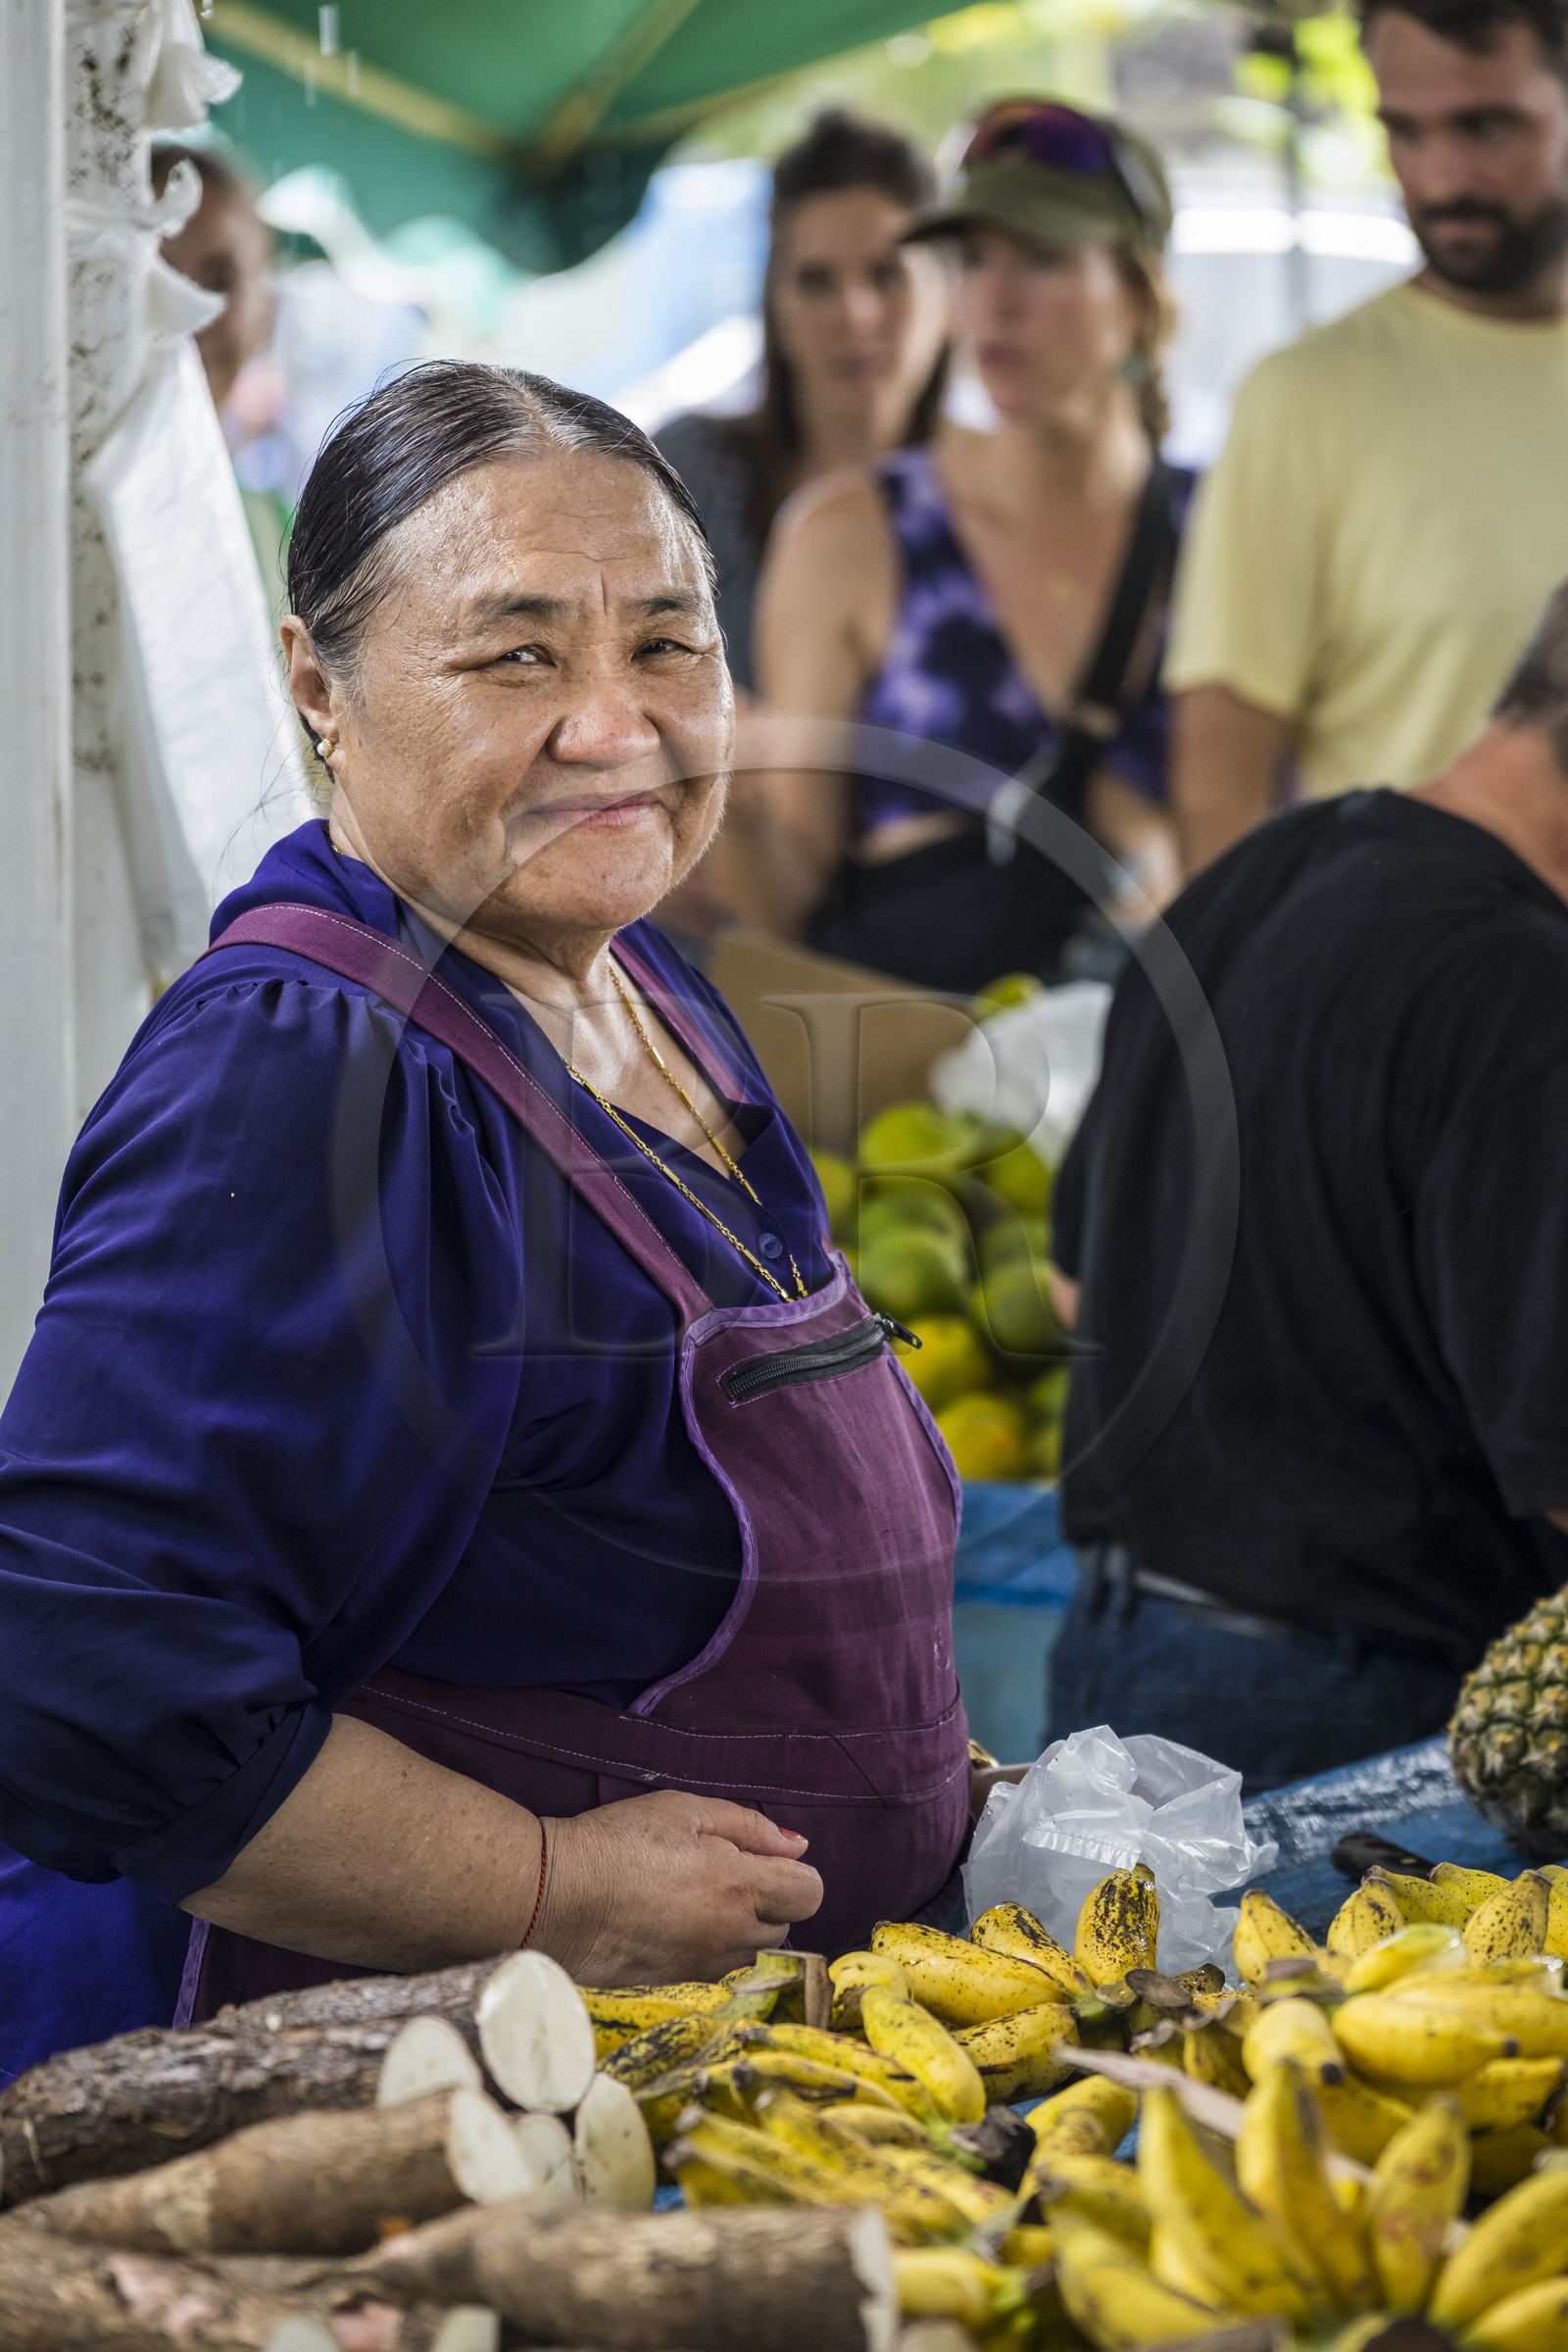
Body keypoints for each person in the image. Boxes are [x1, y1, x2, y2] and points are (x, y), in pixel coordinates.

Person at [0, 364, 984, 2062]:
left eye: (668, 645)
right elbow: (77, 1658)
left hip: (702, 2071)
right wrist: (544, 1887)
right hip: (346, 2124)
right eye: (516, 654)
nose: (616, 725)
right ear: (317, 682)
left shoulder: (642, 980)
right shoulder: (304, 1065)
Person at [1044, 579, 1568, 1792]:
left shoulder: (1269, 862)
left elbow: (1075, 1285)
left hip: (1113, 1664)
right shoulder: (1525, 996)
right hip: (1349, 1719)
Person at [734, 99, 1191, 996]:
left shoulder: (1223, 528)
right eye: (972, 260)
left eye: (1042, 259)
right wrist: (735, 808)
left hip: (1182, 1084)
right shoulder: (851, 534)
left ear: (1138, 295)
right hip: (932, 1106)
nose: (995, 299)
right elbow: (788, 901)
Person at [1166, 0, 1568, 873]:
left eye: (1486, 126)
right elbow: (1219, 781)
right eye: (1403, 131)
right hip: (1429, 989)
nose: (1441, 178)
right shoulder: (1303, 400)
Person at [654, 111, 950, 701]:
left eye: (886, 276)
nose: (855, 315)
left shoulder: (1001, 493)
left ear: (947, 294)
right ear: (774, 305)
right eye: (816, 282)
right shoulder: (684, 479)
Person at [153, 141, 288, 603]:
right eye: (157, 273)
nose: (188, 310)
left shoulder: (287, 547)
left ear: (264, 315)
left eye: (219, 280)